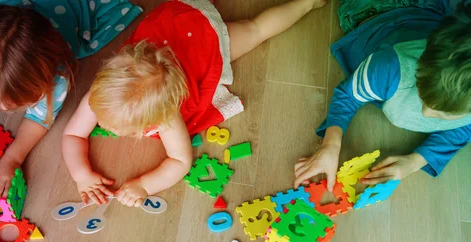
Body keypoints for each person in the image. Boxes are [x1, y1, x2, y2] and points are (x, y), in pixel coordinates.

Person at [62, 0, 327, 207]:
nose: (112, 131)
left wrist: (144, 185)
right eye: (100, 115)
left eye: (128, 131)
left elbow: (180, 161)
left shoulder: (167, 118)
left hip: (202, 42)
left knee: (256, 29)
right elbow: (72, 133)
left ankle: (306, 3)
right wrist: (81, 175)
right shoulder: (103, 95)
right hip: (170, 25)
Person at [0, 1, 141, 197]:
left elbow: (39, 119)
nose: (2, 107)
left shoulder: (56, 77)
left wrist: (13, 158)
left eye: (18, 102)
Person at [294, 1, 471, 191]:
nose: (426, 113)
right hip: (378, 8)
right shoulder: (389, 67)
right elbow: (348, 95)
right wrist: (330, 145)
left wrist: (413, 162)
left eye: (442, 114)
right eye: (421, 93)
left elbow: (462, 129)